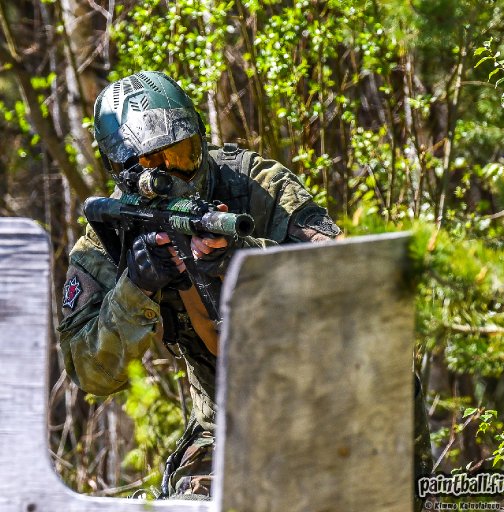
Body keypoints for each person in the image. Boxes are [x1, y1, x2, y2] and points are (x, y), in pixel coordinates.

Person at [58, 71, 341, 499]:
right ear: (124, 172)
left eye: (183, 153)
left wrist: (244, 257)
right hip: (226, 422)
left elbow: (348, 277)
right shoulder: (109, 237)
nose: (175, 173)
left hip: (329, 394)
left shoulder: (257, 185)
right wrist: (135, 288)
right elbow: (89, 371)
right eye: (156, 165)